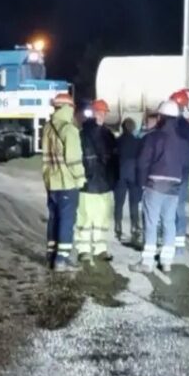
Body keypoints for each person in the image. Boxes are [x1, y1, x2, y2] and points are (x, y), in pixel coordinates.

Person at [129, 101, 189, 274]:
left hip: (154, 185)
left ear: (161, 117)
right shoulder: (182, 142)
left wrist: (141, 183)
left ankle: (147, 262)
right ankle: (166, 261)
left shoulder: (152, 138)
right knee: (169, 222)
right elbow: (187, 166)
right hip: (174, 186)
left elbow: (142, 163)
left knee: (151, 222)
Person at [41, 93, 85, 272]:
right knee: (67, 221)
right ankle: (62, 259)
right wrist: (80, 178)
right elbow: (73, 160)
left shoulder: (48, 128)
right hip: (67, 183)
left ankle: (52, 255)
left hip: (51, 183)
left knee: (54, 219)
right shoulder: (69, 130)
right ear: (68, 108)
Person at [75, 99, 117, 262]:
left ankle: (97, 249)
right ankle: (86, 249)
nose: (102, 115)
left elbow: (114, 161)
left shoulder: (85, 134)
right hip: (92, 185)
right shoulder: (102, 135)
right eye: (100, 112)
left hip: (100, 185)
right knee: (87, 219)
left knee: (99, 220)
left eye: (103, 113)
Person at [169, 90, 189, 256]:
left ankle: (170, 244)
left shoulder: (171, 126)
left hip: (171, 172)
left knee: (169, 208)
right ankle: (178, 247)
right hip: (183, 173)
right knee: (178, 208)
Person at [113, 117, 142, 243]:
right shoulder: (138, 142)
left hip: (119, 175)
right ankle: (135, 226)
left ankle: (118, 225)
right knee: (134, 203)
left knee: (119, 203)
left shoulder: (117, 141)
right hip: (134, 176)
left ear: (122, 128)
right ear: (134, 128)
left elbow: (111, 158)